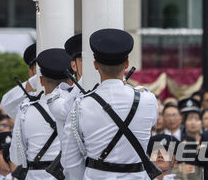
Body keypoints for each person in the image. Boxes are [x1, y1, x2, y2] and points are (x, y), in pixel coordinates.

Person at [62, 28, 158, 180]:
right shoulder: (148, 100)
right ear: (126, 64)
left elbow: (70, 161)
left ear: (95, 65)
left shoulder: (81, 105)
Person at [13, 48, 75, 179]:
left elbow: (16, 157)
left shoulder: (25, 109)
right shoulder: (80, 106)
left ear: (41, 81)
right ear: (71, 81)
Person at [0, 43, 40, 120]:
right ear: (31, 73)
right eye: (40, 68)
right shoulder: (28, 100)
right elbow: (6, 103)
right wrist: (36, 80)